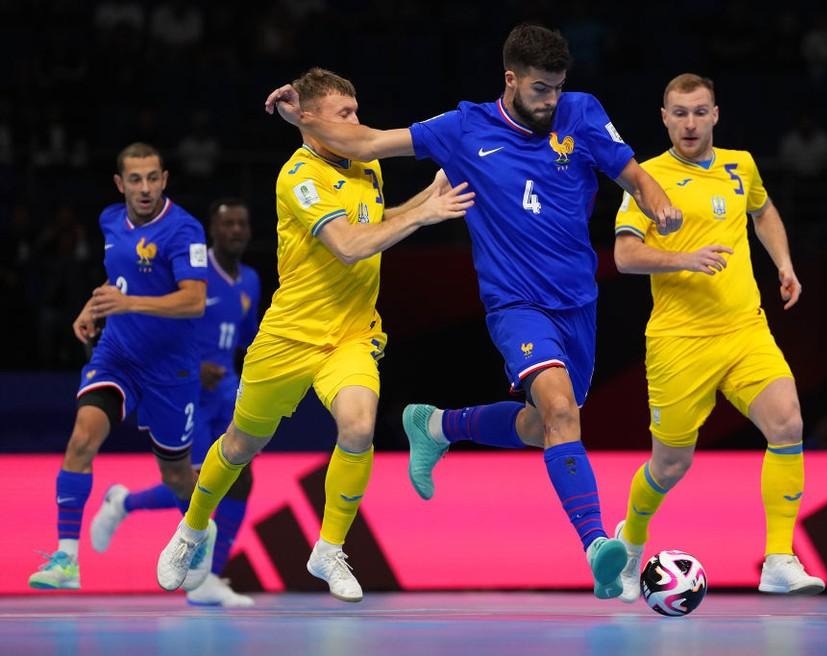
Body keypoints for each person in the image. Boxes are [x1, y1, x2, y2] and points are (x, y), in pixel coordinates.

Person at [260, 24, 684, 600]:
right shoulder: (462, 129)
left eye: (558, 88)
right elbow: (366, 142)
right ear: (509, 79)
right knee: (561, 413)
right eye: (539, 90)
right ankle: (596, 547)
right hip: (516, 304)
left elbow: (629, 172)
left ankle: (435, 425)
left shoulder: (582, 113)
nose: (550, 101)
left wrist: (656, 199)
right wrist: (301, 118)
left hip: (578, 303)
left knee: (541, 427)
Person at [156, 68, 475, 601]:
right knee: (239, 445)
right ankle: (191, 531)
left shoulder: (367, 164)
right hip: (290, 335)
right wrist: (423, 218)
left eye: (357, 111)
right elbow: (350, 244)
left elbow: (376, 219)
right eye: (345, 115)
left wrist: (424, 200)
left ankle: (328, 549)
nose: (358, 123)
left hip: (351, 334)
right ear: (311, 121)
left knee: (358, 427)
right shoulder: (297, 177)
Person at [611, 73, 825, 602]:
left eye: (699, 111)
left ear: (715, 114)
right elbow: (624, 255)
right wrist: (685, 257)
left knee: (788, 421)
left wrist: (784, 264)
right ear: (664, 117)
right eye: (679, 113)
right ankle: (631, 538)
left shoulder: (740, 164)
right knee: (670, 464)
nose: (689, 122)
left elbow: (763, 210)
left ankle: (779, 557)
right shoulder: (645, 178)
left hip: (745, 328)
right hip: (679, 342)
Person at [29, 142, 217, 590]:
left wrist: (127, 301)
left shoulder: (184, 230)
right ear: (120, 184)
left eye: (153, 178)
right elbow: (120, 280)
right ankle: (67, 559)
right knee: (82, 437)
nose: (145, 188)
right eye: (135, 179)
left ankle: (200, 531)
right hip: (118, 355)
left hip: (171, 371)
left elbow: (192, 301)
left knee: (176, 476)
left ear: (165, 179)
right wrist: (94, 308)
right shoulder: (110, 220)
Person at [89, 198, 260, 607]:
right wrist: (194, 363)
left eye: (242, 223)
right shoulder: (192, 275)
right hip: (181, 387)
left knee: (242, 480)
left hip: (226, 395)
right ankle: (123, 502)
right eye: (228, 224)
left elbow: (249, 337)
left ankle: (209, 579)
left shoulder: (251, 280)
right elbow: (157, 315)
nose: (236, 230)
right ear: (213, 233)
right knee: (198, 481)